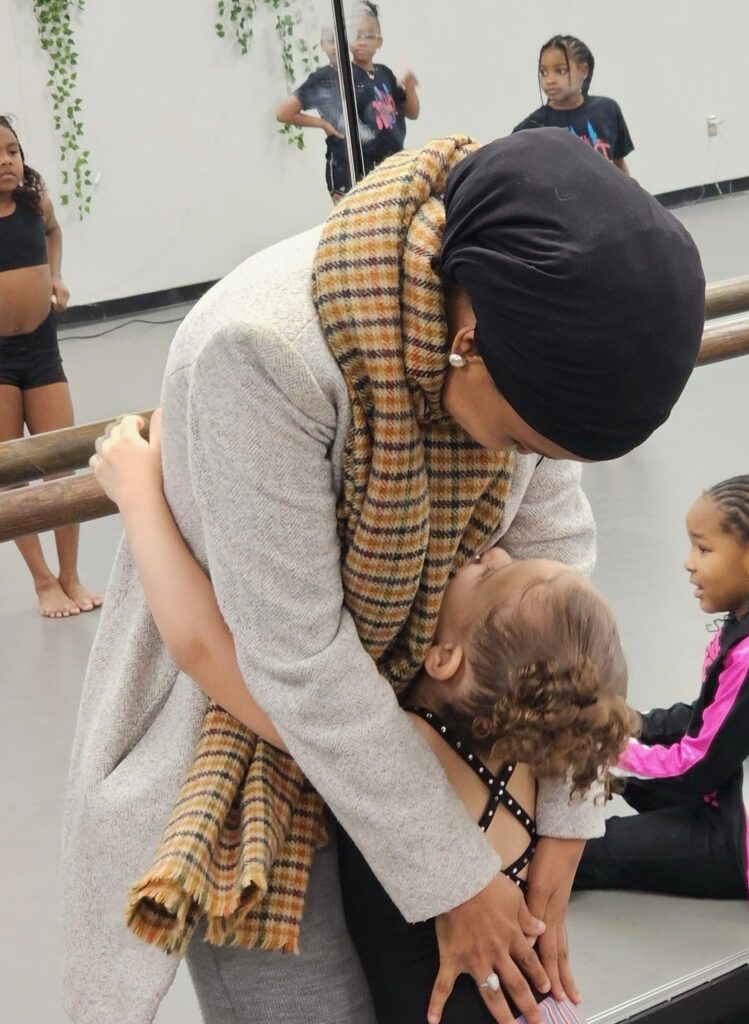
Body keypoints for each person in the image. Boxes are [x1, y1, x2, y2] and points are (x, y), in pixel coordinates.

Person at [62, 128, 705, 1024]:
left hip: (416, 728)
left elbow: (556, 562)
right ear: (470, 340)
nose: (523, 466)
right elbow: (297, 661)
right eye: (524, 442)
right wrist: (454, 872)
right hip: (252, 743)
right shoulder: (264, 354)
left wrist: (566, 827)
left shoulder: (538, 333)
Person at [89, 409, 633, 1023]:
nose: (495, 549)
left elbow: (196, 641)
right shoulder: (535, 751)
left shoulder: (402, 747)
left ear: (444, 656)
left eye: (486, 570)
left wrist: (136, 495)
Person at [575, 474, 749, 921]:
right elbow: (712, 718)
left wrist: (605, 759)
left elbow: (695, 768)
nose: (688, 563)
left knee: (587, 853)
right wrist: (634, 724)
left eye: (703, 549)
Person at [0, 115, 102, 619]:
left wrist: (56, 275)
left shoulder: (34, 203)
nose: (6, 160)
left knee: (61, 462)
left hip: (41, 349)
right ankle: (42, 581)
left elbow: (55, 232)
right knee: (10, 472)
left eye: (13, 150)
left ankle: (70, 574)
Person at [277, 5, 419, 201]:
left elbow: (412, 113)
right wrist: (323, 124)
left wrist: (410, 88)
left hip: (390, 170)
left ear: (379, 42)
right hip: (351, 173)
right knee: (359, 227)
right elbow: (284, 112)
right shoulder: (336, 76)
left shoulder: (383, 73)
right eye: (356, 36)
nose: (362, 42)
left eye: (369, 36)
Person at [513, 35, 633, 174]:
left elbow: (619, 162)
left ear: (583, 71)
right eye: (543, 72)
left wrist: (633, 194)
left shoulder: (607, 110)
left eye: (560, 71)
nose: (550, 80)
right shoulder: (532, 127)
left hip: (604, 195)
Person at [276, 26, 353, 201]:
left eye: (339, 40)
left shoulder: (360, 72)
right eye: (330, 41)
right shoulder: (321, 79)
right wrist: (323, 124)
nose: (335, 46)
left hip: (371, 160)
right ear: (322, 45)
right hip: (341, 165)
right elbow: (283, 112)